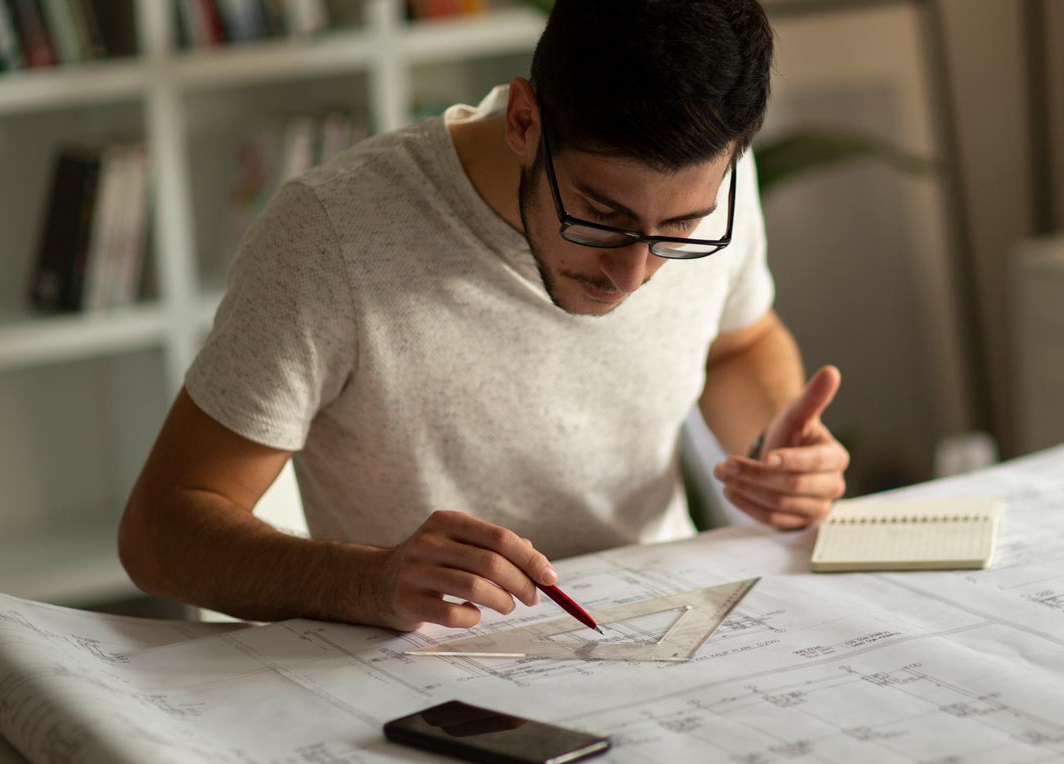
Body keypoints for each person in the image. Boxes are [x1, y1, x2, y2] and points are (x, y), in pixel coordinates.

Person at [118, 0, 849, 633]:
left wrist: (774, 451)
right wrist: (369, 583)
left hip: (669, 617)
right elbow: (161, 531)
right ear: (525, 121)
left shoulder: (714, 179)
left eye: (681, 228)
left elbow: (738, 344)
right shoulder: (330, 236)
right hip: (426, 667)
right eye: (601, 215)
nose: (635, 273)